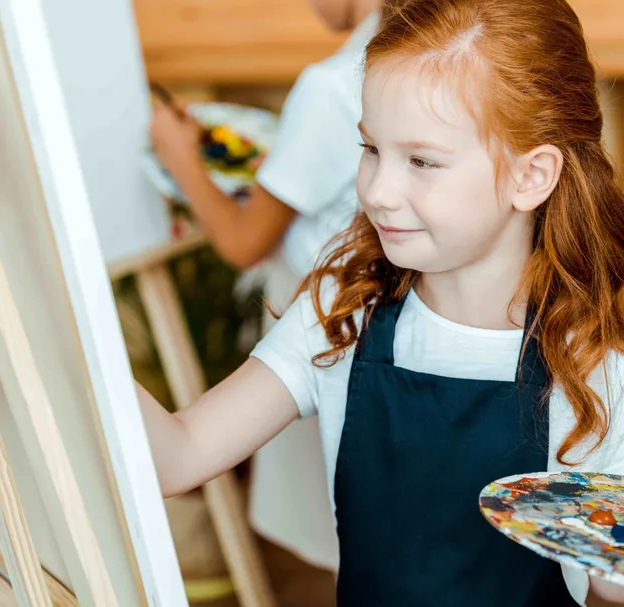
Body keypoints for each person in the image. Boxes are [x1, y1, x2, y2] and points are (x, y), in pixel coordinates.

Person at [138, 0, 624, 603]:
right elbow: (180, 457)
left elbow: (615, 586)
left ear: (530, 177)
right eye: (371, 149)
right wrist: (66, 329)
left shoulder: (595, 361)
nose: (378, 190)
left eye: (421, 161)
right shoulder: (339, 314)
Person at [148, 0, 382, 572]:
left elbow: (243, 242)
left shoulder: (333, 86)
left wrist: (179, 158)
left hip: (336, 334)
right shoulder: (415, 60)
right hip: (342, 336)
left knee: (355, 537)